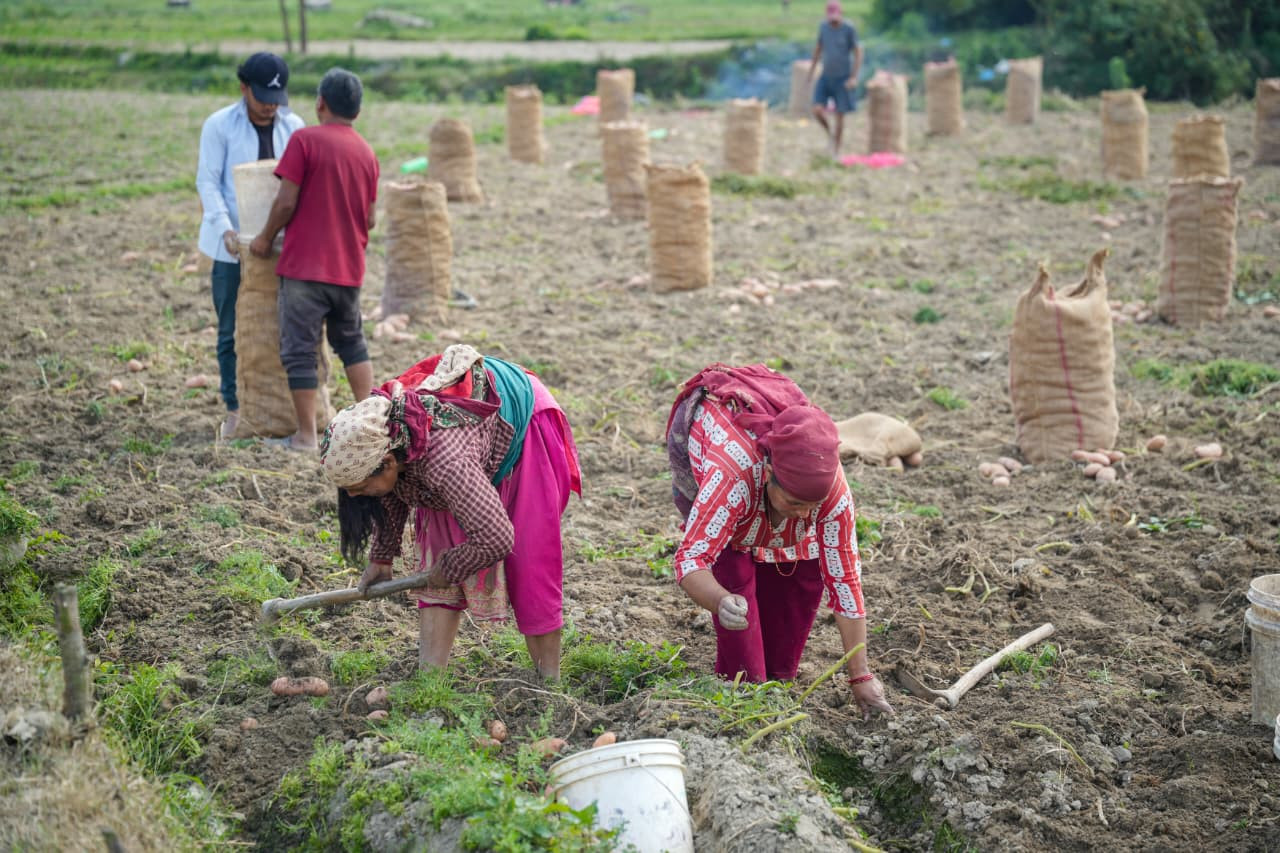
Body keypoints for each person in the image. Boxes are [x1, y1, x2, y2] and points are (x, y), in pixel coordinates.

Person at [321, 345, 582, 680]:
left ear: (387, 462)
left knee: (529, 558)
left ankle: (550, 683)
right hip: (459, 446)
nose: (355, 496)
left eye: (359, 487)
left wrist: (452, 567)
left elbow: (497, 537)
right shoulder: (393, 440)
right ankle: (431, 680)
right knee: (437, 546)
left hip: (524, 425)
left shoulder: (445, 463)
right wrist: (381, 557)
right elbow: (392, 489)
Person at [665, 363, 893, 720]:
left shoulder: (831, 492)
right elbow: (692, 560)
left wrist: (860, 675)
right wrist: (721, 600)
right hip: (704, 431)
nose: (805, 515)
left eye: (813, 506)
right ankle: (742, 660)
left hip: (767, 488)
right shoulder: (731, 476)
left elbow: (844, 578)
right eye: (796, 503)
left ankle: (774, 667)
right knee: (745, 671)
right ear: (769, 474)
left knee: (782, 650)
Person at [250, 67, 380, 452]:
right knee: (352, 342)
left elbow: (286, 200)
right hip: (349, 269)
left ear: (320, 103)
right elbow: (370, 218)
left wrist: (264, 238)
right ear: (356, 112)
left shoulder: (304, 141)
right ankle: (372, 423)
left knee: (300, 350)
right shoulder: (367, 153)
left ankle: (306, 436)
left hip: (306, 271)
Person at [196, 52, 305, 439]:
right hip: (232, 247)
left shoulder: (294, 127)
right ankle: (235, 407)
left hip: (281, 246)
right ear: (243, 88)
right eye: (262, 97)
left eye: (276, 97)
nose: (270, 105)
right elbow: (208, 182)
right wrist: (226, 230)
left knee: (286, 327)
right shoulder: (220, 125)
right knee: (231, 329)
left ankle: (284, 408)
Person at [806, 0, 863, 158]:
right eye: (831, 18)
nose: (833, 21)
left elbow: (858, 52)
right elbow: (818, 49)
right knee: (817, 109)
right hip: (826, 76)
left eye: (836, 17)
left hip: (842, 78)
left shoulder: (849, 29)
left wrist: (853, 77)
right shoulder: (823, 28)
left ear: (841, 14)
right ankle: (829, 133)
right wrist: (811, 71)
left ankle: (836, 152)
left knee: (840, 116)